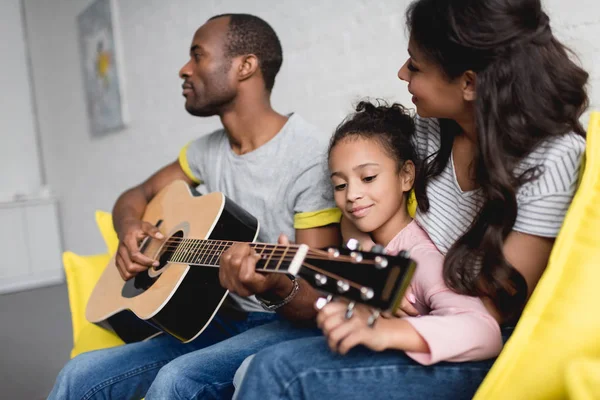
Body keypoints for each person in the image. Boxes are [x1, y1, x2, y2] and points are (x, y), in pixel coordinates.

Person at [234, 0, 589, 398]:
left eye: (415, 67)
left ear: (469, 83)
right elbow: (368, 202)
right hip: (414, 301)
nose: (402, 73)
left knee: (280, 371)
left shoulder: (554, 158)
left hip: (479, 341)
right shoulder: (435, 126)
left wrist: (392, 316)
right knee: (227, 369)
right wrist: (373, 275)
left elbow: (493, 310)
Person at [49, 13, 340, 400]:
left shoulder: (310, 158)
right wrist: (131, 229)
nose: (184, 70)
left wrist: (270, 284)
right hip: (215, 319)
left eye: (197, 56)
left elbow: (314, 297)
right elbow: (134, 195)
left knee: (177, 379)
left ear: (245, 66)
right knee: (79, 374)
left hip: (282, 325)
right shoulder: (205, 152)